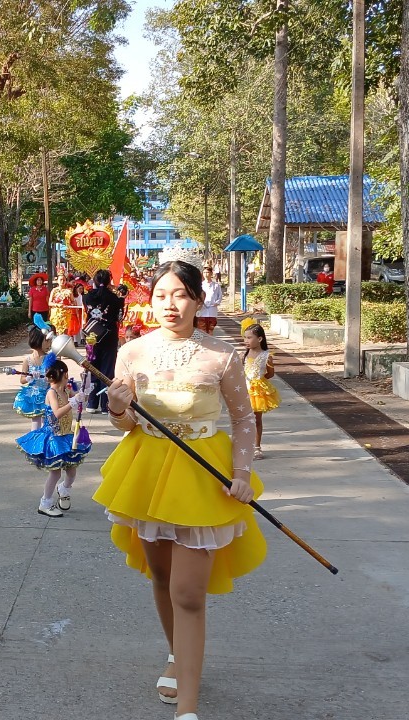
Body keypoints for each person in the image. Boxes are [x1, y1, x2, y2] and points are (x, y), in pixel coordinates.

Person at [92, 260, 267, 720]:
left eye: (181, 294)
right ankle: (176, 654)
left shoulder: (222, 355)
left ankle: (187, 708)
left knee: (188, 592)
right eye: (161, 295)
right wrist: (117, 409)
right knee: (162, 576)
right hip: (147, 472)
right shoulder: (132, 352)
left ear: (198, 299)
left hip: (201, 475)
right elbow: (128, 424)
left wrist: (242, 472)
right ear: (150, 301)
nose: (170, 304)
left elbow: (243, 419)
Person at [15, 358, 91, 517]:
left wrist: (85, 389)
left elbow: (81, 400)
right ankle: (45, 503)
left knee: (71, 471)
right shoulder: (52, 393)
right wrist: (73, 402)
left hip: (66, 436)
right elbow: (56, 413)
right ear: (64, 374)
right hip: (53, 438)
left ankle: (64, 489)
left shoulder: (66, 390)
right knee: (55, 473)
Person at [82, 269, 124, 414]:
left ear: (94, 280)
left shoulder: (87, 297)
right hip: (109, 335)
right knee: (107, 368)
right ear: (109, 281)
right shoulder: (114, 298)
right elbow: (119, 317)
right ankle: (106, 404)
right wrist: (122, 298)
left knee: (93, 366)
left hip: (92, 335)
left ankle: (92, 403)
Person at [242, 323, 280, 459]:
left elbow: (270, 373)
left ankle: (257, 447)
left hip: (257, 392)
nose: (246, 340)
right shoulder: (243, 355)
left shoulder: (266, 356)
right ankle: (244, 445)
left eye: (249, 338)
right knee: (244, 420)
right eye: (245, 337)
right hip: (244, 390)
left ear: (259, 339)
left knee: (256, 419)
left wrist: (260, 380)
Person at [12, 324, 51, 429]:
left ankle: (44, 438)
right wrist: (29, 378)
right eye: (47, 340)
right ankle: (34, 438)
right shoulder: (27, 360)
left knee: (47, 421)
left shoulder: (49, 358)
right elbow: (22, 380)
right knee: (35, 421)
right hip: (34, 394)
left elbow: (54, 378)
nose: (50, 343)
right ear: (38, 340)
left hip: (48, 394)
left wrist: (47, 377)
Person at [49, 272, 81, 342]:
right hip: (56, 314)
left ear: (66, 281)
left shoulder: (68, 291)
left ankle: (64, 345)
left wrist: (70, 305)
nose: (62, 281)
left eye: (64, 280)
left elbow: (73, 302)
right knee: (56, 332)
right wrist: (57, 305)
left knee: (65, 332)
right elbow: (50, 303)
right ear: (57, 281)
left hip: (66, 314)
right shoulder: (54, 290)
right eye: (60, 279)